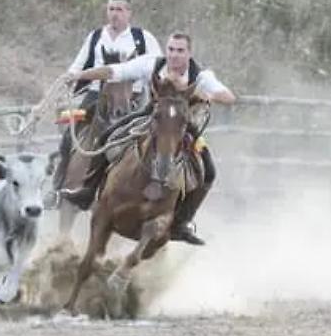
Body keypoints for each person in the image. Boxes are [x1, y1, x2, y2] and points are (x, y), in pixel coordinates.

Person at [62, 32, 236, 245]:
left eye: (180, 50)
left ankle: (182, 221)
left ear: (189, 53)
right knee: (108, 135)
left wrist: (207, 95)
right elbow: (115, 71)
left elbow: (229, 97)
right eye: (171, 49)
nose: (174, 55)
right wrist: (80, 75)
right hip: (151, 116)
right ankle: (88, 190)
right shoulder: (152, 64)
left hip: (183, 126)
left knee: (209, 170)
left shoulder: (200, 76)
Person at [53, 0, 161, 190]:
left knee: (155, 136)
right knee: (69, 136)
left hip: (135, 98)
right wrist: (69, 78)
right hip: (96, 96)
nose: (114, 14)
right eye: (111, 9)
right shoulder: (95, 37)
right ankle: (59, 185)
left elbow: (158, 68)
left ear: (129, 13)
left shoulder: (143, 38)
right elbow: (78, 65)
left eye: (119, 9)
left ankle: (157, 182)